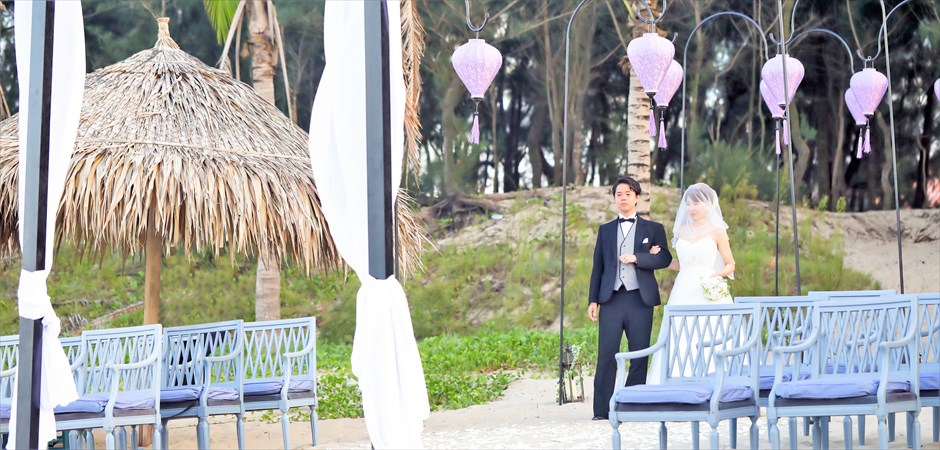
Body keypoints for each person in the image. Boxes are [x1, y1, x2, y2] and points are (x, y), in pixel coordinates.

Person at [588, 176, 673, 420]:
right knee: (606, 354)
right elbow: (598, 267)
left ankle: (635, 405)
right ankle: (602, 411)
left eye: (628, 193)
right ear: (614, 199)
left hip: (640, 299)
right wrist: (593, 300)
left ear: (637, 197)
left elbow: (664, 258)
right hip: (611, 299)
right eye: (619, 194)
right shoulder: (605, 231)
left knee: (639, 353)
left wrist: (639, 257)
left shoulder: (653, 229)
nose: (623, 198)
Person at [646, 182, 736, 384]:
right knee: (681, 332)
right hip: (684, 288)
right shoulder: (681, 231)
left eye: (696, 203)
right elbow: (681, 264)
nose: (692, 208)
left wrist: (717, 276)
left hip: (709, 289)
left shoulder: (717, 231)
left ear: (709, 204)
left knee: (711, 331)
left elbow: (730, 264)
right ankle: (678, 381)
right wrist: (659, 258)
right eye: (688, 203)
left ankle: (715, 381)